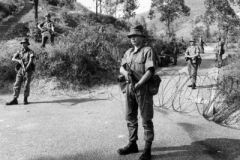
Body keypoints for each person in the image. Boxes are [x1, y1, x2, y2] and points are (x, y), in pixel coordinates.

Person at [118, 25, 156, 160]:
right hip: (129, 88)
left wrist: (139, 84)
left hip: (143, 89)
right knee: (130, 117)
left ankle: (147, 149)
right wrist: (125, 73)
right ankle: (132, 143)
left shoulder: (147, 51)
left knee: (146, 119)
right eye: (130, 37)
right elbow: (121, 68)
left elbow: (150, 71)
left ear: (141, 37)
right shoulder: (128, 52)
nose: (132, 38)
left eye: (135, 36)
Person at [6, 38, 35, 105]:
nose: (23, 44)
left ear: (27, 44)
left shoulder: (30, 52)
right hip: (20, 70)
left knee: (26, 85)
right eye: (22, 43)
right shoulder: (19, 51)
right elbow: (13, 58)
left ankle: (25, 98)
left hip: (28, 70)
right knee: (17, 84)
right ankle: (15, 99)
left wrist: (26, 68)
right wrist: (18, 60)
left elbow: (31, 61)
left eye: (24, 43)